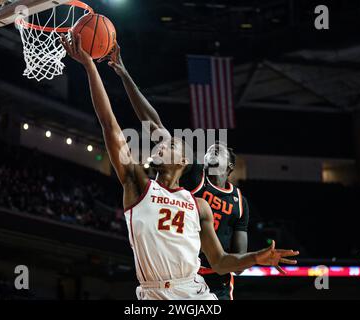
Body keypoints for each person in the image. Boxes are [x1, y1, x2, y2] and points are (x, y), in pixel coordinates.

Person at [60, 33, 299, 300]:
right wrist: (94, 67)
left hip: (199, 289)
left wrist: (257, 257)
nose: (161, 144)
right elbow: (114, 125)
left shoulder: (207, 205)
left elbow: (220, 261)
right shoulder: (141, 185)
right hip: (153, 293)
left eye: (171, 144)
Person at [107, 45, 250, 299]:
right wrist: (124, 74)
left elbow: (238, 257)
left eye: (220, 149)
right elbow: (152, 122)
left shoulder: (239, 202)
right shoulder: (193, 173)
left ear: (229, 166)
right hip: (180, 272)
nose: (213, 149)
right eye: (211, 147)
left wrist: (253, 259)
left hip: (216, 277)